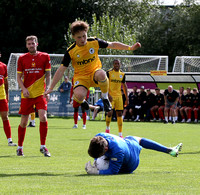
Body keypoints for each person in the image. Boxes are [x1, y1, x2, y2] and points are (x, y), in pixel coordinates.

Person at [45, 20, 141, 114]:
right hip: (81, 77)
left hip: (94, 73)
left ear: (87, 33)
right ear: (73, 37)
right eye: (79, 37)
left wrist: (130, 48)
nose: (82, 39)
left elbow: (112, 44)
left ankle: (104, 97)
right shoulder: (70, 51)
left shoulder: (94, 42)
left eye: (84, 36)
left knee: (102, 74)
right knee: (78, 96)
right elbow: (61, 70)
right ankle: (83, 102)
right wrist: (51, 88)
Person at [17, 35, 51, 157]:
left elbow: (48, 75)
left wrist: (47, 89)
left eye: (33, 43)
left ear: (37, 44)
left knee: (43, 117)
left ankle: (43, 146)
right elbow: (18, 77)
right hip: (27, 94)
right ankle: (20, 147)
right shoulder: (22, 58)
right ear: (27, 45)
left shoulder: (45, 56)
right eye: (29, 44)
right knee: (24, 122)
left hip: (40, 93)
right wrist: (23, 89)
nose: (31, 45)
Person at [85, 133, 183, 175]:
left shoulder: (117, 152)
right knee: (137, 139)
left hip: (132, 163)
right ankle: (169, 150)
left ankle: (169, 150)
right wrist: (95, 162)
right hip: (126, 143)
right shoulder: (99, 136)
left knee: (136, 140)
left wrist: (97, 172)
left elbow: (113, 171)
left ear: (106, 149)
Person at [105, 59, 128, 137]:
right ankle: (107, 129)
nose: (116, 65)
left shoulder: (122, 74)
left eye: (118, 63)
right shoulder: (109, 73)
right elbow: (105, 84)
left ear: (120, 64)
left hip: (119, 96)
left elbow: (124, 86)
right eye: (115, 63)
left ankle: (120, 134)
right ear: (113, 64)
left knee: (119, 114)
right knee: (110, 113)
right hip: (110, 96)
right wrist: (108, 94)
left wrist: (126, 98)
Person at [0, 57, 17, 146]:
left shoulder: (3, 66)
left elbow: (6, 82)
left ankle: (9, 140)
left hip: (2, 97)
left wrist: (7, 94)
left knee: (5, 118)